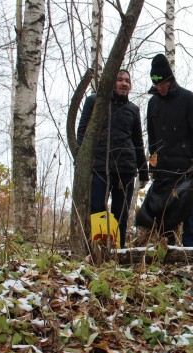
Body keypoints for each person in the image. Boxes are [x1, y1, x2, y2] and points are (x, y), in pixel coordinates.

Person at [77, 69, 149, 248]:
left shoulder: (133, 109)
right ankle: (99, 251)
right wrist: (80, 161)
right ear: (111, 82)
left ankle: (119, 252)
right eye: (119, 80)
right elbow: (82, 132)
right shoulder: (95, 101)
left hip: (126, 169)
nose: (124, 83)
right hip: (99, 167)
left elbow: (138, 141)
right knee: (97, 210)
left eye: (127, 81)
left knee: (121, 214)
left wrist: (143, 171)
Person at [145, 53, 193, 245]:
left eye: (163, 83)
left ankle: (191, 251)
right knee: (164, 210)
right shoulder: (152, 103)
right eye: (157, 84)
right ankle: (168, 249)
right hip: (163, 166)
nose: (160, 88)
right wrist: (153, 167)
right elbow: (152, 138)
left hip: (187, 166)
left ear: (170, 79)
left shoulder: (188, 98)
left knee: (189, 210)